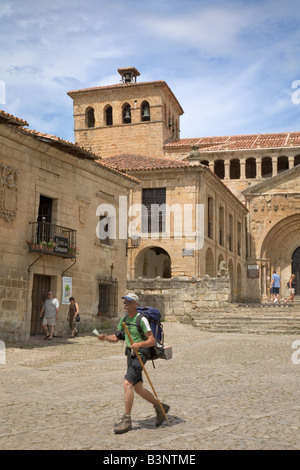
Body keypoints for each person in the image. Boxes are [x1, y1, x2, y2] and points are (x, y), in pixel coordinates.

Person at [97, 292, 170, 434]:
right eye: (124, 302)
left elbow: (151, 340)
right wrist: (105, 337)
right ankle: (160, 407)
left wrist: (139, 344)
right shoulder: (124, 319)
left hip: (140, 355)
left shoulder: (141, 319)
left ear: (135, 304)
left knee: (127, 383)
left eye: (128, 302)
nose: (125, 305)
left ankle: (127, 420)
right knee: (137, 388)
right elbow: (117, 337)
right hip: (130, 356)